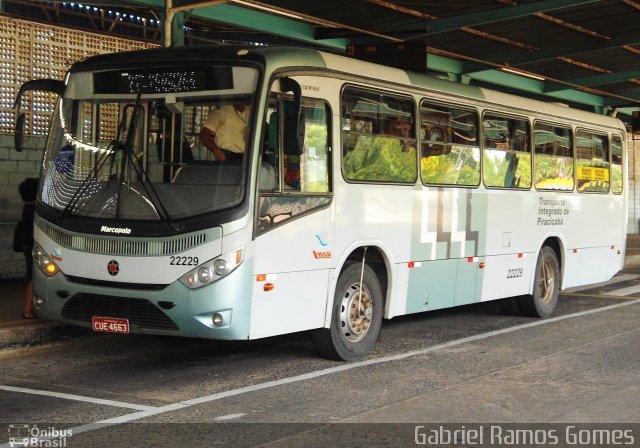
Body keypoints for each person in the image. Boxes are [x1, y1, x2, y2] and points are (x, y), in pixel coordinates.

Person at [19, 178, 38, 319]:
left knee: (32, 277)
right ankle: (27, 309)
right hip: (33, 247)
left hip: (27, 245)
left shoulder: (27, 207)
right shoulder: (34, 210)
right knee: (33, 278)